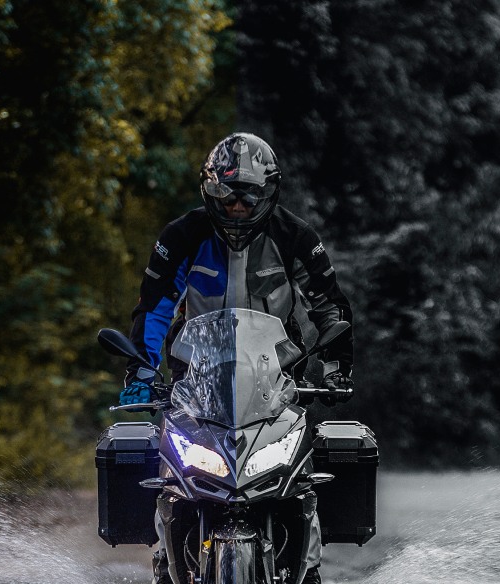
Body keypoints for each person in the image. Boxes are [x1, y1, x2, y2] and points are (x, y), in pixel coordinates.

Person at [120, 132, 354, 584]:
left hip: (276, 382)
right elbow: (154, 308)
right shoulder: (182, 236)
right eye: (228, 197)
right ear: (210, 192)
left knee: (301, 477)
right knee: (172, 475)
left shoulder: (295, 236)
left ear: (269, 192)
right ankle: (167, 562)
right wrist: (141, 371)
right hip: (196, 380)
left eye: (249, 197)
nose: (238, 207)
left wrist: (336, 367)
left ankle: (308, 567)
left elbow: (329, 305)